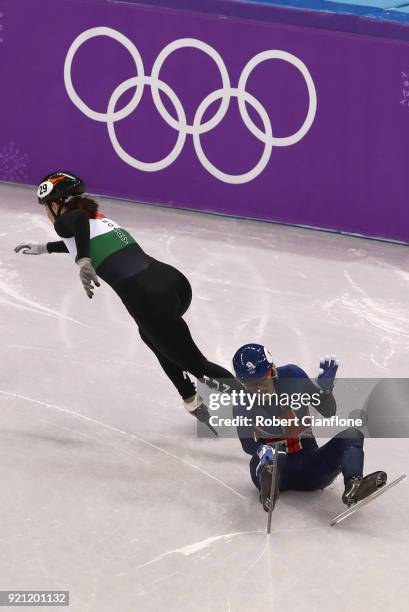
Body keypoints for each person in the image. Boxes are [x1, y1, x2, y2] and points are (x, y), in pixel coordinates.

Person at [15, 171, 237, 435]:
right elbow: (82, 237)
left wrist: (83, 261)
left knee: (198, 366)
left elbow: (75, 226)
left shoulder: (66, 220)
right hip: (172, 282)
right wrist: (45, 248)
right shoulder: (99, 218)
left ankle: (267, 412)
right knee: (152, 338)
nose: (47, 214)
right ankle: (190, 399)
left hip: (147, 297)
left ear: (55, 203)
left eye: (45, 207)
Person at [231, 343, 387, 511]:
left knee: (352, 435)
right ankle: (268, 480)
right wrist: (261, 450)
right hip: (276, 469)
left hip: (310, 467)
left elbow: (327, 411)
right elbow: (247, 444)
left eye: (262, 380)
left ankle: (354, 485)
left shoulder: (293, 376)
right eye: (251, 385)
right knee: (270, 457)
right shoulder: (242, 402)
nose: (259, 389)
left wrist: (325, 391)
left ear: (272, 370)